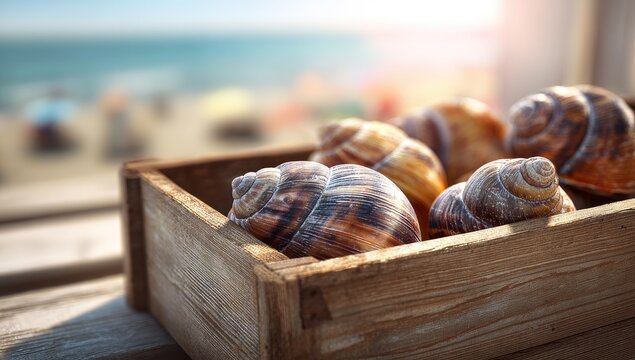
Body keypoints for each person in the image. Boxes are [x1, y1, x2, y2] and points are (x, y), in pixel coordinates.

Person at [26, 87, 75, 152]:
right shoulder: (53, 106)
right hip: (44, 130)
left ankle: (47, 142)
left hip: (43, 131)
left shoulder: (46, 105)